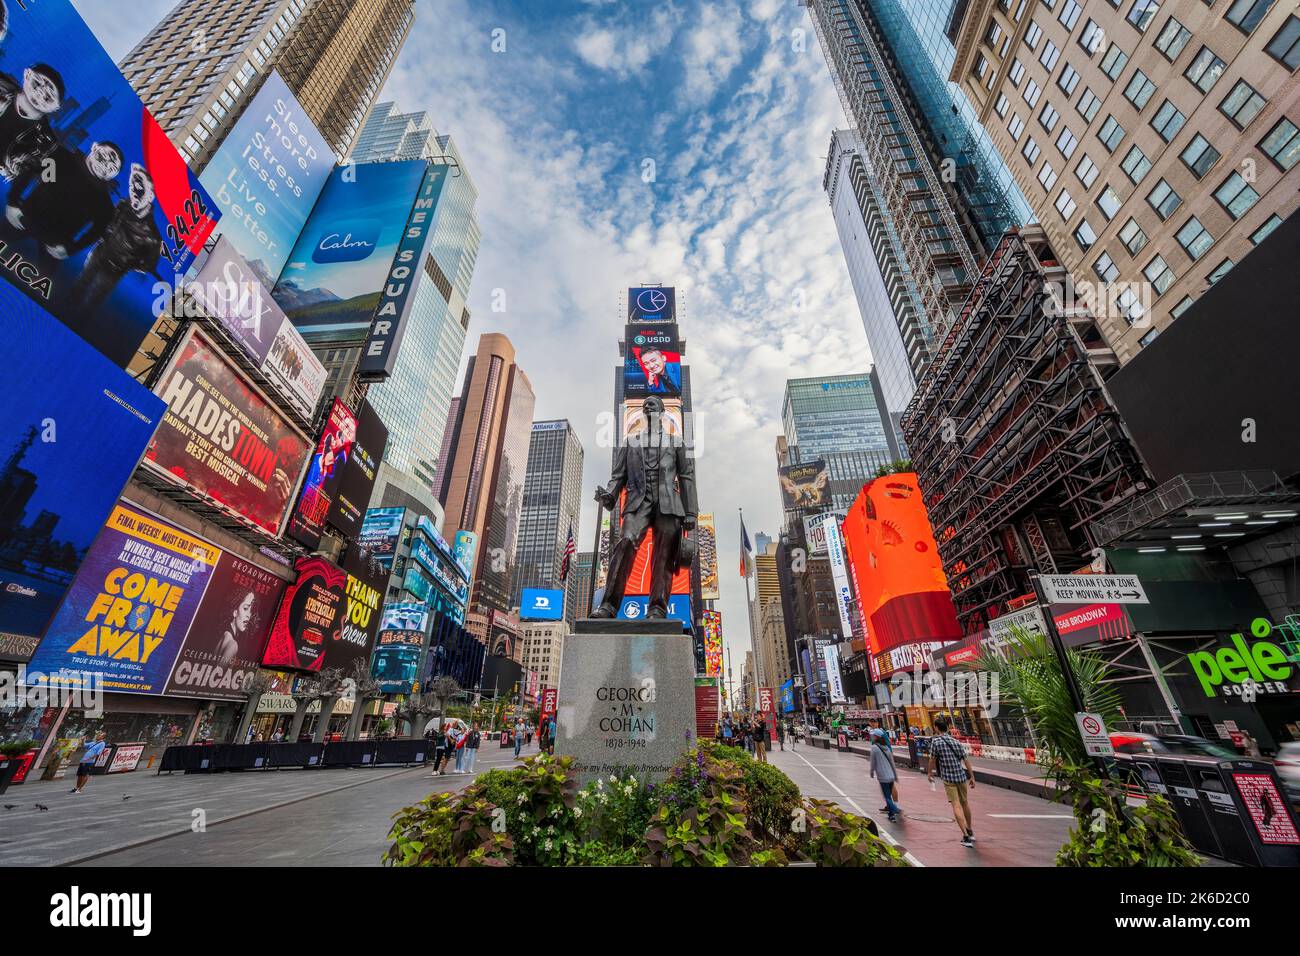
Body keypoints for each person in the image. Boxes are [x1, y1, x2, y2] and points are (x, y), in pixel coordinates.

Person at [928, 716, 976, 847]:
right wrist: (972, 776)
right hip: (961, 776)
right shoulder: (956, 742)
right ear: (948, 727)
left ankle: (966, 837)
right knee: (965, 803)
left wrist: (929, 773)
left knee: (956, 805)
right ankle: (970, 830)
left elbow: (932, 760)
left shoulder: (936, 742)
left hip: (949, 778)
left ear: (936, 728)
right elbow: (966, 760)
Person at [870, 732, 901, 822]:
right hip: (890, 775)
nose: (871, 737)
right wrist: (895, 776)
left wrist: (871, 772)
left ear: (876, 737)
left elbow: (872, 762)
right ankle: (891, 816)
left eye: (872, 736)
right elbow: (892, 763)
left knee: (887, 797)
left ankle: (895, 809)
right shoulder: (887, 748)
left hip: (883, 777)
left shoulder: (874, 748)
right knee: (888, 796)